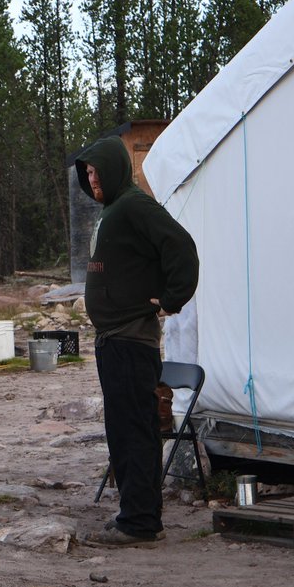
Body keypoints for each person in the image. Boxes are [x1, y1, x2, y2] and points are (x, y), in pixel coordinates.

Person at [75, 135, 199, 547]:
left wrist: (170, 297)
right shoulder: (114, 210)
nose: (91, 179)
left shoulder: (133, 205)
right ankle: (134, 513)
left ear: (112, 169)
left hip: (131, 339)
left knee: (134, 429)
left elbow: (180, 245)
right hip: (115, 340)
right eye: (87, 173)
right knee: (123, 429)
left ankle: (141, 522)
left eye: (95, 172)